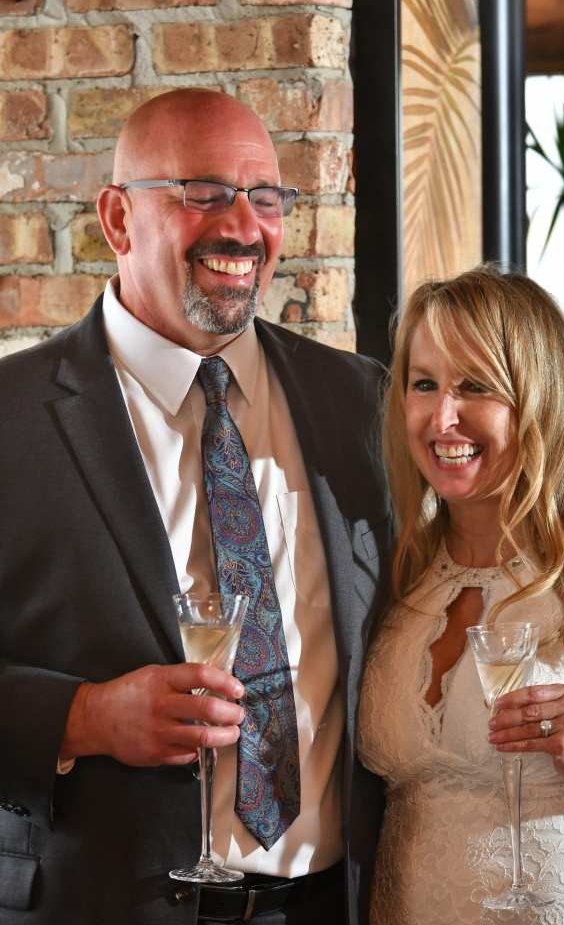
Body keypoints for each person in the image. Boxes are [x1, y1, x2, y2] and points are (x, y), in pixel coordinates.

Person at [0, 89, 391, 925]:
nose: (244, 227)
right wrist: (84, 718)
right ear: (118, 218)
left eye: (266, 198)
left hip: (332, 907)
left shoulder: (358, 403)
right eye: (205, 194)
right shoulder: (12, 419)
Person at [357, 267, 564, 924]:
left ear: (539, 397)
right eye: (424, 384)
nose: (442, 418)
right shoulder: (398, 571)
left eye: (475, 386)